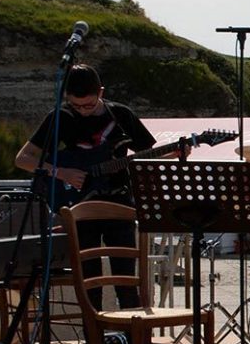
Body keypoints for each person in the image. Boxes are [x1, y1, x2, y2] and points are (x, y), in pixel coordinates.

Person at [14, 64, 158, 311]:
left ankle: (131, 332)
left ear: (101, 92)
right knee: (89, 280)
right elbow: (23, 158)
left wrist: (176, 153)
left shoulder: (121, 115)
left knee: (125, 279)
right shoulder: (60, 117)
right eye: (76, 105)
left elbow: (149, 156)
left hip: (118, 204)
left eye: (88, 105)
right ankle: (93, 333)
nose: (82, 111)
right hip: (79, 206)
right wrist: (61, 172)